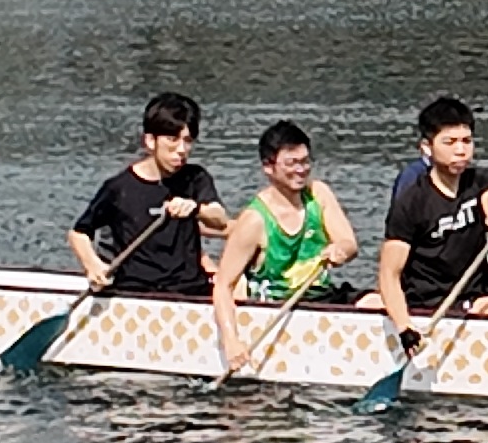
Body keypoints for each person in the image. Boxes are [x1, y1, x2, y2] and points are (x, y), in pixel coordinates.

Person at [373, 94, 488, 352]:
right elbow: (389, 274)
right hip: (431, 303)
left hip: (477, 295)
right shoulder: (412, 202)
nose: (461, 150)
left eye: (466, 141)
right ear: (427, 147)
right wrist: (404, 328)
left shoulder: (481, 179)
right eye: (450, 142)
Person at [68, 94, 221, 317]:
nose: (181, 149)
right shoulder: (119, 188)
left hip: (190, 292)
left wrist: (196, 208)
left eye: (187, 141)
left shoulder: (195, 178)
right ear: (150, 141)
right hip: (134, 296)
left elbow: (219, 218)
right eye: (172, 139)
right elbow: (79, 233)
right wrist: (92, 264)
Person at [212, 118, 361, 309]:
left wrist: (341, 250)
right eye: (291, 163)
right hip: (276, 305)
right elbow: (223, 286)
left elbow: (349, 243)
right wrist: (232, 339)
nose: (301, 170)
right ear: (268, 166)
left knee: (375, 301)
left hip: (322, 297)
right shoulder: (254, 220)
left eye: (305, 161)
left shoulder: (318, 194)